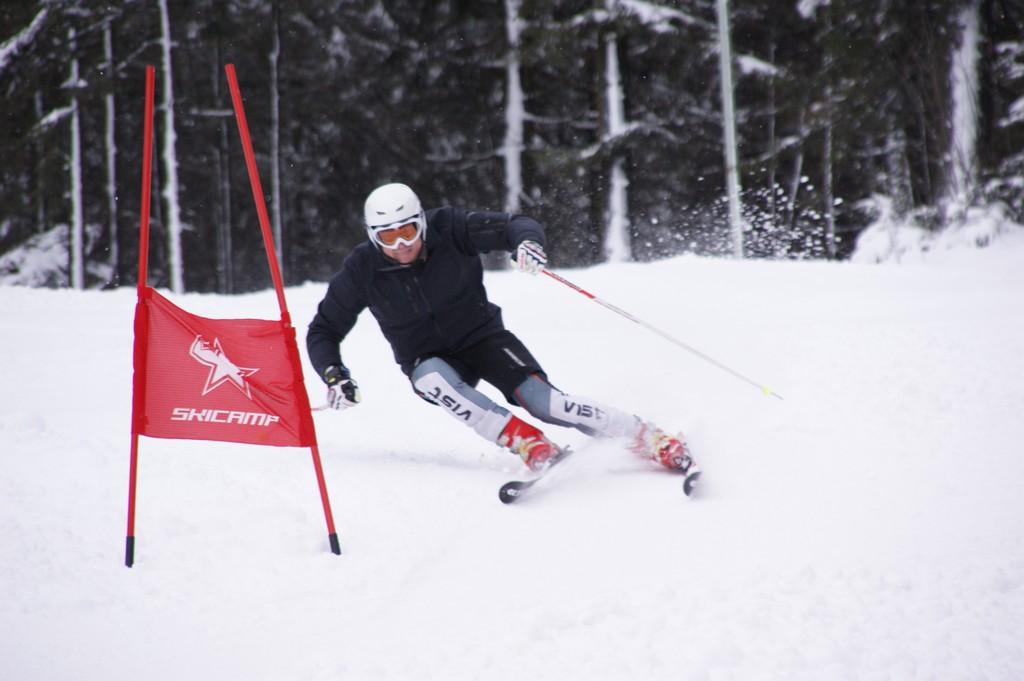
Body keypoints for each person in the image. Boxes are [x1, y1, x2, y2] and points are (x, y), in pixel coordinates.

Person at [306, 182, 695, 475]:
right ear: (373, 236)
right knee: (431, 380)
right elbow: (323, 329)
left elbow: (515, 225)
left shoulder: (451, 228)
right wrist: (334, 375)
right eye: (388, 236)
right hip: (429, 360)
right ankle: (529, 444)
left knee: (548, 404)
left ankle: (648, 437)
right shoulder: (362, 269)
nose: (402, 244)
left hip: (484, 339)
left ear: (422, 221)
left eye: (408, 230)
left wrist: (527, 244)